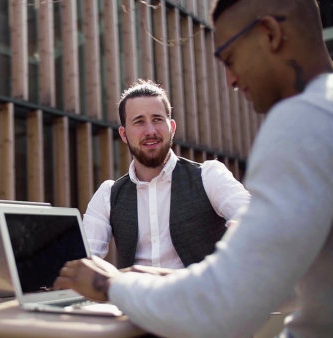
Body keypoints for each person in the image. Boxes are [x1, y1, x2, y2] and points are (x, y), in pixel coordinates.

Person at [54, 0, 333, 337]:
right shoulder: (322, 113)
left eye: (229, 59)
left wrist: (110, 283)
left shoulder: (301, 123)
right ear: (124, 134)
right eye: (139, 122)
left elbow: (226, 300)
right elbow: (281, 276)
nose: (230, 79)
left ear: (270, 34)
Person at [84, 79, 250, 269]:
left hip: (201, 296)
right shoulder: (108, 196)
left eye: (157, 119)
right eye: (139, 122)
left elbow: (253, 219)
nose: (151, 131)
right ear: (123, 134)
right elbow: (84, 259)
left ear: (171, 127)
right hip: (136, 298)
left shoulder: (209, 176)